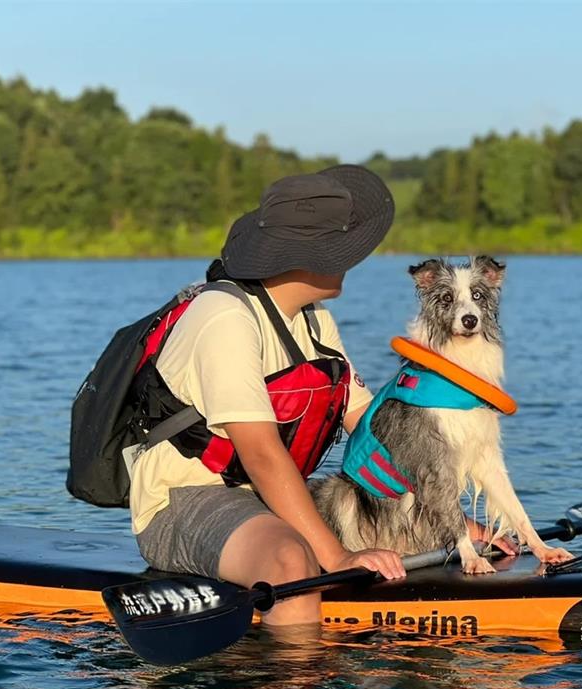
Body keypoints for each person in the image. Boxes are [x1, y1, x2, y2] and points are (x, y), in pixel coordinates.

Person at [129, 164, 405, 628]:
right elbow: (260, 453)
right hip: (185, 503)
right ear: (305, 256)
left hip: (267, 497)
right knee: (292, 562)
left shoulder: (313, 320)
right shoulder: (224, 317)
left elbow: (373, 435)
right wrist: (335, 556)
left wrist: (452, 523)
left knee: (397, 530)